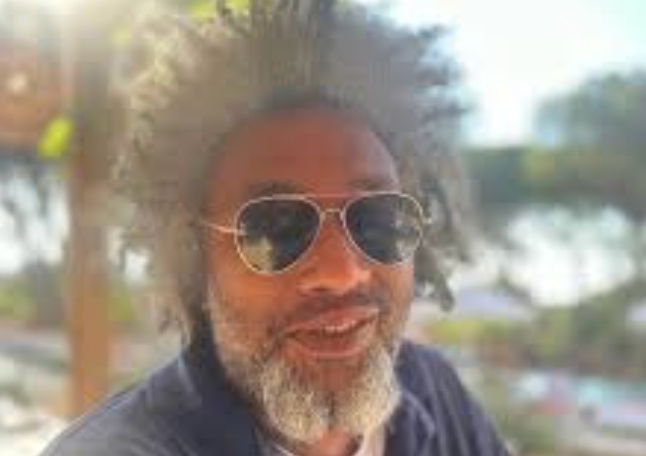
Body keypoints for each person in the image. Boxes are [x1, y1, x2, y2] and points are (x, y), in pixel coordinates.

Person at [43, 1, 510, 455]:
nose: (342, 272)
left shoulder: (432, 390)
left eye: (376, 219)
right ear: (197, 261)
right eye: (276, 229)